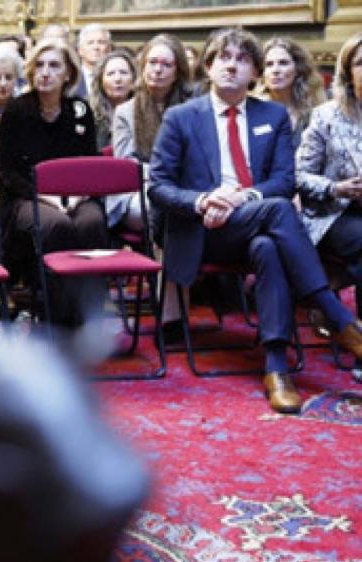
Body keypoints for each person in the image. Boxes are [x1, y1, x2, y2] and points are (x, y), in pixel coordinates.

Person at [149, 28, 362, 414]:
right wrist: (202, 200)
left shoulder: (272, 115)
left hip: (253, 223)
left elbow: (283, 180)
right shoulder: (181, 117)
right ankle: (336, 316)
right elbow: (158, 186)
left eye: (243, 59)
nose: (232, 66)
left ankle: (276, 368)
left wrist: (242, 198)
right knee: (279, 211)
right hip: (202, 230)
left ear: (255, 73)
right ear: (208, 67)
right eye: (224, 58)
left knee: (268, 245)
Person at [0, 38, 103, 329]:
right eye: (40, 66)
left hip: (76, 195)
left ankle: (88, 309)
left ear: (68, 74)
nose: (45, 72)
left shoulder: (79, 110)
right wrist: (46, 197)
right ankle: (57, 314)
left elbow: (88, 164)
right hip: (24, 197)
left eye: (54, 66)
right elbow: (8, 173)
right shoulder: (17, 110)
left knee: (91, 221)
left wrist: (78, 196)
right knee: (56, 224)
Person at [296, 32, 362, 306]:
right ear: (347, 73)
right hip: (334, 213)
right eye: (360, 63)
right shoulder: (327, 115)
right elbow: (297, 175)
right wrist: (336, 188)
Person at [109, 34, 191, 231]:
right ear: (143, 67)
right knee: (155, 207)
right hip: (139, 187)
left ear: (177, 72)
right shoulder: (125, 111)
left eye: (166, 64)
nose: (158, 70)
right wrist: (164, 174)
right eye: (152, 62)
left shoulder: (192, 108)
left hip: (185, 185)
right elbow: (126, 164)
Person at [256, 37, 326, 146]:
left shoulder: (316, 112)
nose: (275, 70)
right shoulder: (253, 111)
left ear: (298, 69)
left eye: (283, 63)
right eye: (269, 64)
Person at [89, 49, 136, 150]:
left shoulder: (145, 112)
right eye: (111, 74)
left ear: (134, 79)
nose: (118, 79)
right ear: (100, 81)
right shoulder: (88, 113)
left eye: (124, 73)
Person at [72, 24, 111, 99]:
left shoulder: (116, 77)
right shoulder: (71, 78)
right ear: (80, 50)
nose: (96, 47)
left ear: (109, 49)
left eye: (101, 42)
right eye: (90, 42)